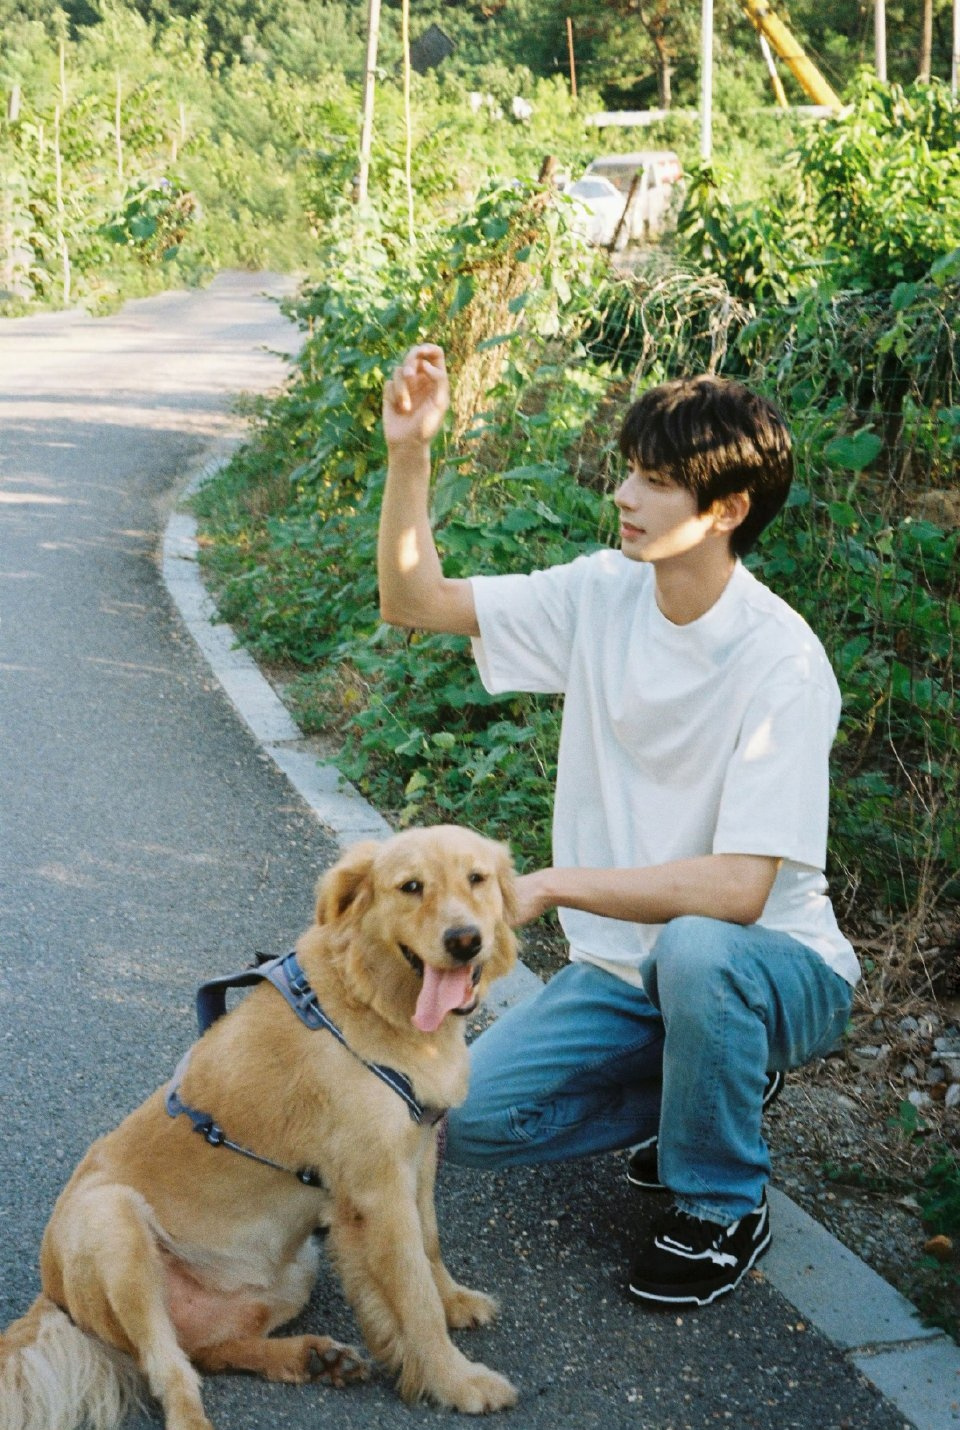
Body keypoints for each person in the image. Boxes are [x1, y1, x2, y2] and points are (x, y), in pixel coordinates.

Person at [377, 342, 859, 1308]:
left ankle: (721, 1201)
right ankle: (708, 1086)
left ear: (727, 510)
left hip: (775, 967)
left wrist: (554, 885)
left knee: (697, 949)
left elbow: (740, 892)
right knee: (461, 1121)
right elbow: (413, 599)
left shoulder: (782, 662)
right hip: (620, 974)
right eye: (631, 469)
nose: (625, 495)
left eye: (658, 481)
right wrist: (410, 452)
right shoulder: (602, 592)